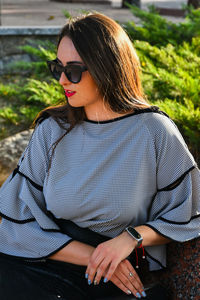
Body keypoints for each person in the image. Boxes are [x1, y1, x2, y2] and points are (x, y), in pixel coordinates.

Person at [0, 13, 199, 300]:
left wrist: (131, 238)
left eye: (74, 70)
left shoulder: (153, 131)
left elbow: (190, 212)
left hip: (116, 278)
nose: (62, 80)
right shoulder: (52, 131)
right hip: (50, 263)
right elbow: (15, 219)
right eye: (58, 68)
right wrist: (95, 256)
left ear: (106, 67)